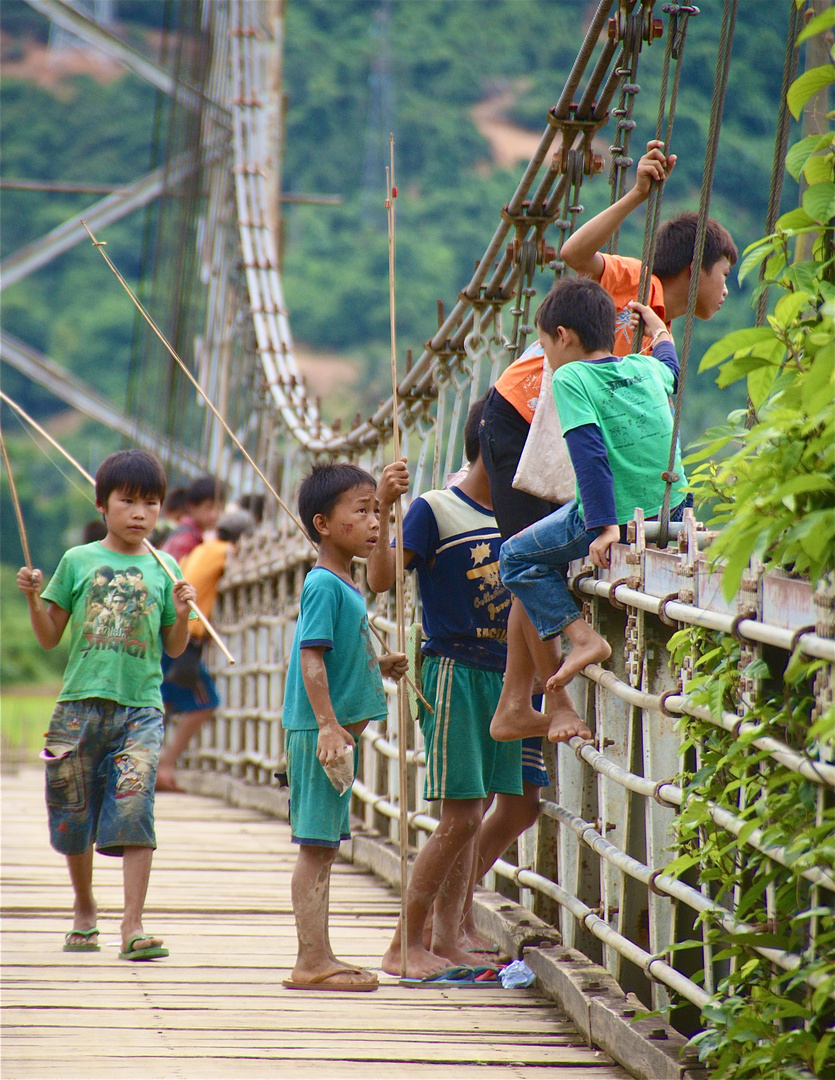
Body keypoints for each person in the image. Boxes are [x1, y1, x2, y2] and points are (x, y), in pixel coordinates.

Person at [482, 138, 736, 744]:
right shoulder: (636, 282)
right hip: (525, 414)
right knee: (528, 553)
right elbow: (573, 252)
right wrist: (638, 196)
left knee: (543, 554)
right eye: (724, 275)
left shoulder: (658, 337)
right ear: (697, 265)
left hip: (571, 429)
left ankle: (529, 695)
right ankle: (545, 703)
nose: (727, 290)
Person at [16, 449, 196, 961]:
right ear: (103, 505)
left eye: (151, 503)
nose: (140, 513)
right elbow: (50, 637)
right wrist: (33, 599)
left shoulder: (165, 565)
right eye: (129, 501)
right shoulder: (78, 561)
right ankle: (84, 909)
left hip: (141, 708)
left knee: (136, 807)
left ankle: (133, 925)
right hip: (77, 706)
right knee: (73, 813)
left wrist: (181, 612)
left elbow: (176, 647)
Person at [367, 397, 522, 980]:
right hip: (455, 670)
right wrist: (383, 507)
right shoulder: (433, 508)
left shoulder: (522, 514)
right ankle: (403, 943)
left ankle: (450, 932)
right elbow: (382, 581)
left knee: (475, 808)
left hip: (504, 676)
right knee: (459, 816)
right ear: (494, 437)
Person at [495, 279, 688, 716]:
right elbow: (670, 368)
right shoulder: (642, 369)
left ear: (562, 336)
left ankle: (584, 640)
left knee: (516, 558)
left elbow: (590, 454)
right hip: (675, 507)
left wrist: (604, 527)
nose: (546, 358)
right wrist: (659, 331)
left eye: (544, 346)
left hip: (612, 513)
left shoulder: (570, 377)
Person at [282, 461, 408, 992]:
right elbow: (311, 660)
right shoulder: (323, 586)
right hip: (322, 735)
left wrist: (378, 669)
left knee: (325, 845)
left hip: (331, 732)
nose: (375, 521)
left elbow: (335, 660)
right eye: (361, 510)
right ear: (324, 524)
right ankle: (311, 961)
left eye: (377, 510)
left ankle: (322, 954)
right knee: (316, 846)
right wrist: (329, 726)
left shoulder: (343, 586)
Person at [156, 508, 255, 793]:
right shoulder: (225, 552)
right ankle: (164, 767)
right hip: (185, 640)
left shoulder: (202, 549)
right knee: (205, 702)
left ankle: (148, 767)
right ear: (242, 537)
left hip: (172, 633)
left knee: (164, 702)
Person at [161, 475, 225, 565]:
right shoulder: (187, 540)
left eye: (219, 508)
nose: (214, 514)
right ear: (192, 506)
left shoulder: (191, 534)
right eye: (209, 507)